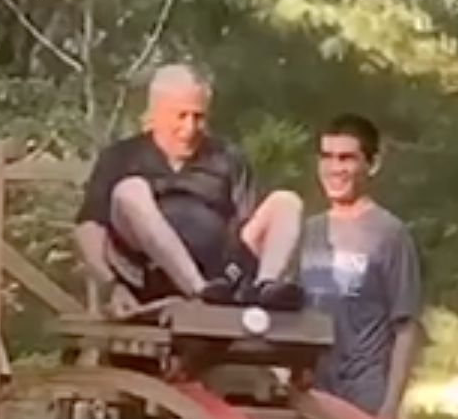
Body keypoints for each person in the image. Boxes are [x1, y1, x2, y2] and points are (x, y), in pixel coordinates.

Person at [73, 63, 304, 318]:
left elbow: (248, 229)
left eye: (198, 117)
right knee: (131, 190)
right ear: (155, 113)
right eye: (180, 116)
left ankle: (266, 289)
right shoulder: (122, 157)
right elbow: (89, 228)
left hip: (221, 278)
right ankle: (197, 290)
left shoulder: (227, 158)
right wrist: (110, 286)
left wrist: (239, 271)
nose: (190, 128)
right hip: (147, 277)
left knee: (287, 202)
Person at [299, 113, 425, 419]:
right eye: (327, 157)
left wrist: (391, 408)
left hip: (364, 397)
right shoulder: (306, 231)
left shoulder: (389, 233)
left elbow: (406, 328)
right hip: (310, 396)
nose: (334, 168)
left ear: (373, 163)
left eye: (346, 158)